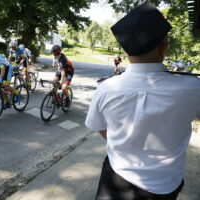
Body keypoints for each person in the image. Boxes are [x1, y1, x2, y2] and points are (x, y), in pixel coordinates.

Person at [85, 2, 200, 200]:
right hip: (164, 184)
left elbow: (100, 128)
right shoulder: (193, 88)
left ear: (126, 53)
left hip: (116, 178)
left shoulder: (106, 88)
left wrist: (128, 140)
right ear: (163, 49)